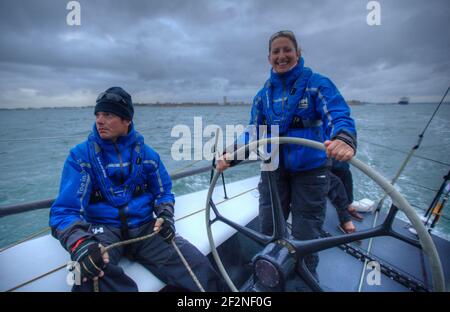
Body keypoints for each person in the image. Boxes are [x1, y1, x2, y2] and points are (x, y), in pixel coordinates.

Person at [49, 87, 225, 292]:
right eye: (98, 114)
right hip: (102, 231)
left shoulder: (149, 156)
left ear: (127, 120)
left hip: (145, 228)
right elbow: (63, 211)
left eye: (108, 114)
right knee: (83, 277)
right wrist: (80, 244)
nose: (99, 120)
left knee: (198, 267)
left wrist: (165, 216)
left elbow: (164, 193)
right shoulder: (80, 157)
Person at [217, 30, 357, 280]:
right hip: (273, 169)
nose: (281, 56)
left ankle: (305, 279)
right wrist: (231, 154)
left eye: (287, 50)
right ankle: (269, 275)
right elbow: (253, 132)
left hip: (311, 170)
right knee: (269, 229)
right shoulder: (263, 96)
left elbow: (337, 113)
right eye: (276, 51)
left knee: (305, 235)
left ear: (298, 53)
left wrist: (343, 138)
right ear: (269, 58)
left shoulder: (317, 84)